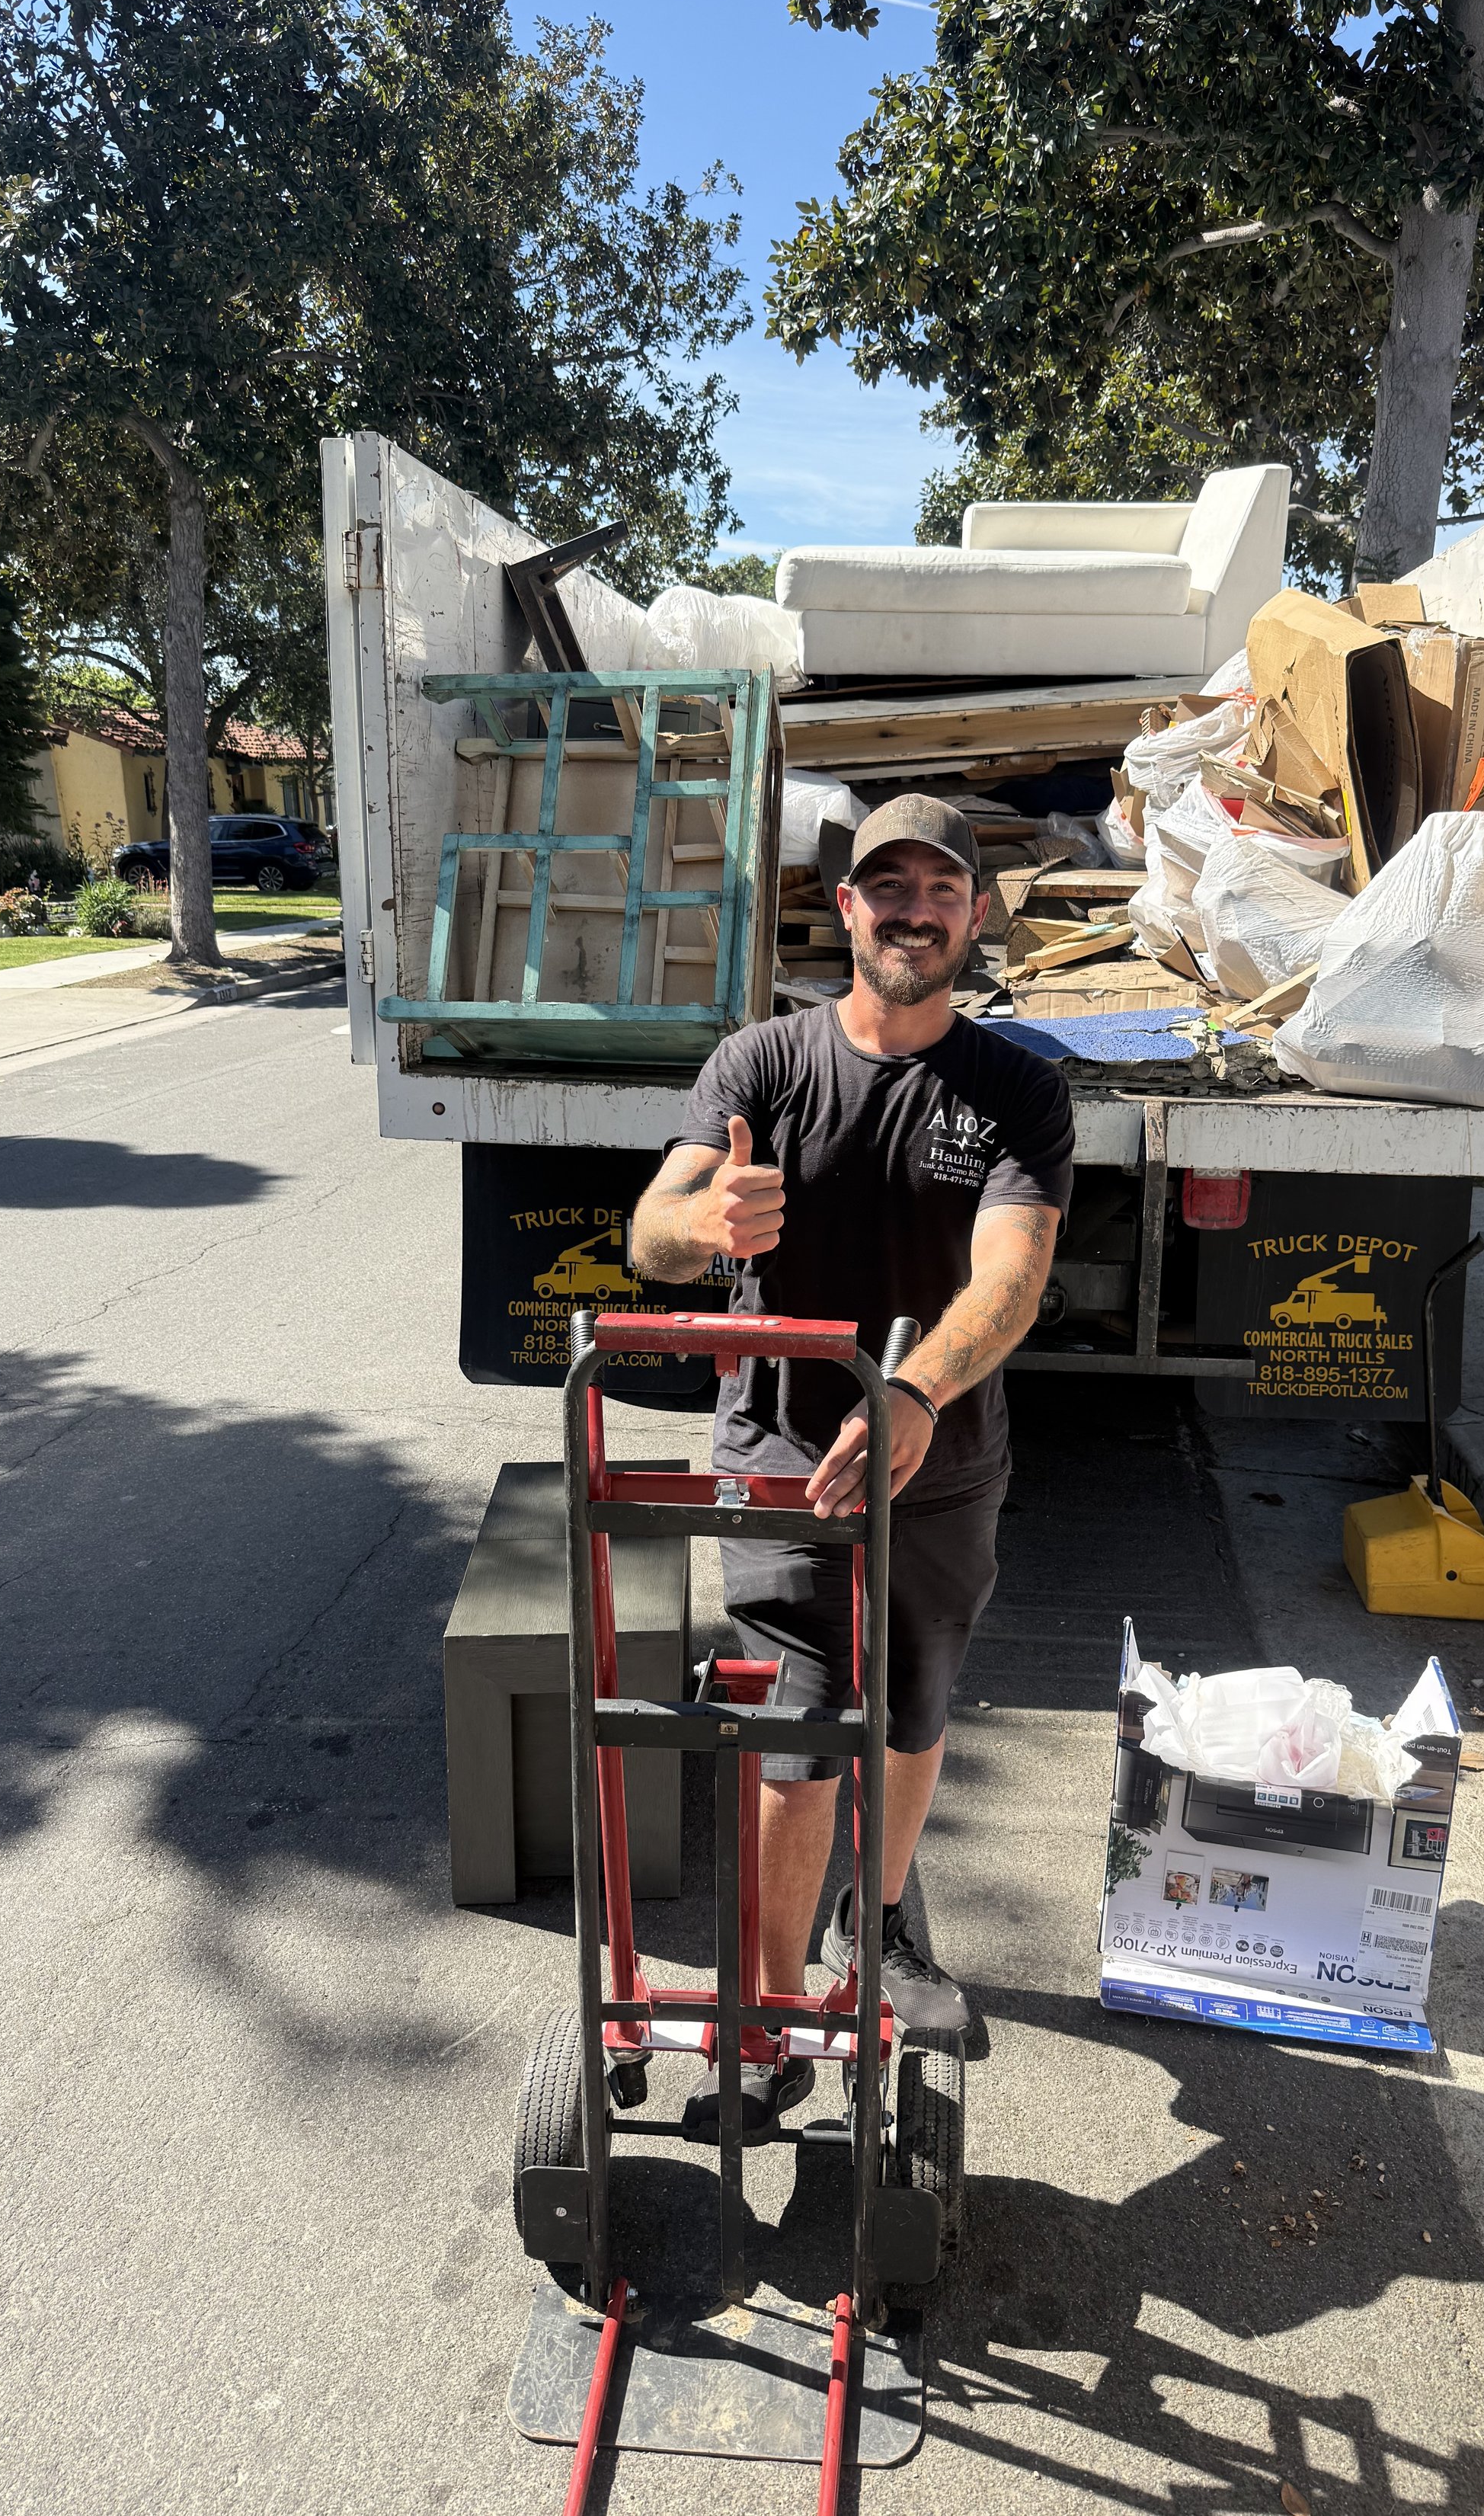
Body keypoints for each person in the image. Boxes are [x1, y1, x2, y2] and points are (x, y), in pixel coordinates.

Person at [630, 794, 1073, 2138]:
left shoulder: (1015, 1088)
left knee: (914, 1706)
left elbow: (1015, 1277)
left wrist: (917, 1390)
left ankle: (874, 1917)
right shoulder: (760, 1064)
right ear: (847, 910)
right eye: (888, 886)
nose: (915, 909)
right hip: (777, 1458)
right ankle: (767, 2026)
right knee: (797, 1739)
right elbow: (649, 1234)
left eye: (944, 887)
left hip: (939, 1452)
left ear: (977, 914)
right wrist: (702, 1220)